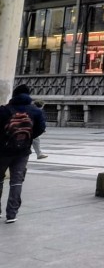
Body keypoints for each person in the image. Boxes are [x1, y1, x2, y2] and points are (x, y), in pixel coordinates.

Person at [0, 84, 47, 223]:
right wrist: (28, 138)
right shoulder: (35, 111)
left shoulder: (4, 110)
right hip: (23, 151)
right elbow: (41, 128)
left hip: (3, 151)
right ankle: (12, 214)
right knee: (17, 181)